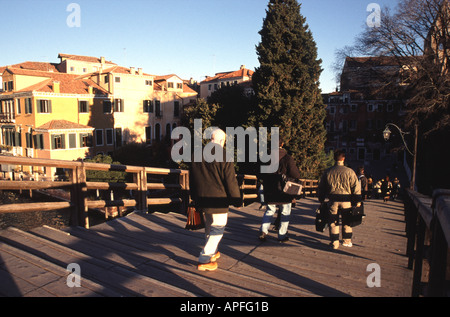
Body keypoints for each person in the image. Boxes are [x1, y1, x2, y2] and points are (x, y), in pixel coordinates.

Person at [189, 128, 242, 271]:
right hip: (218, 200)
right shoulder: (225, 156)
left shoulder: (196, 154)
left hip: (202, 198)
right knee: (218, 227)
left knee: (209, 226)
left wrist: (194, 197)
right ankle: (205, 259)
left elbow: (192, 179)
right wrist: (237, 200)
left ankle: (212, 252)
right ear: (221, 141)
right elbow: (231, 181)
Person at [258, 138, 301, 243]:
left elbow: (259, 173)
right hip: (284, 190)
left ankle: (264, 231)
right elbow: (296, 174)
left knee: (269, 210)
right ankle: (281, 235)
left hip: (269, 189)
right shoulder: (287, 158)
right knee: (285, 211)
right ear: (282, 144)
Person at [318, 150, 362, 249]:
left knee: (333, 221)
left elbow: (322, 187)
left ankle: (334, 242)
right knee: (347, 221)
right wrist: (357, 200)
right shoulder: (349, 171)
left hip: (333, 200)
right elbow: (356, 187)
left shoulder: (328, 171)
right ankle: (346, 241)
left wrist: (321, 199)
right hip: (346, 201)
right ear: (343, 158)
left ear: (334, 158)